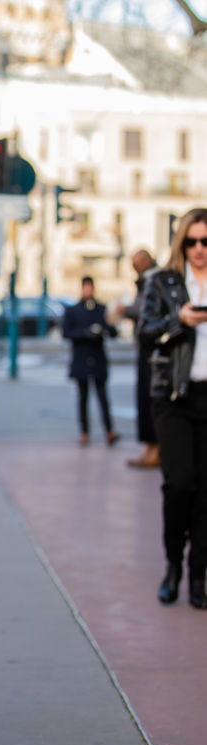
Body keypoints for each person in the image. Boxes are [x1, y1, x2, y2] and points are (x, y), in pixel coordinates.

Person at [138, 208, 207, 609]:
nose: (199, 249)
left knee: (205, 492)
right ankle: (173, 567)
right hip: (174, 398)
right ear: (182, 242)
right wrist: (178, 321)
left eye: (206, 242)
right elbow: (146, 332)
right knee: (179, 483)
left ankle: (198, 575)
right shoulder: (163, 282)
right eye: (192, 241)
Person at [63, 276, 119, 445]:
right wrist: (85, 333)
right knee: (83, 397)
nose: (88, 291)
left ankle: (109, 430)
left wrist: (103, 330)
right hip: (81, 358)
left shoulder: (101, 309)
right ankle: (84, 432)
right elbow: (67, 333)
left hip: (98, 358)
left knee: (102, 396)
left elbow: (113, 331)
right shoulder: (73, 310)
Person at [120, 249, 160, 468]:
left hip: (152, 348)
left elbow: (144, 310)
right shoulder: (146, 280)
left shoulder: (154, 280)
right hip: (145, 345)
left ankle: (155, 447)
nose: (134, 267)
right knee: (143, 399)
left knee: (150, 398)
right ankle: (149, 447)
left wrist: (124, 309)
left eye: (136, 263)